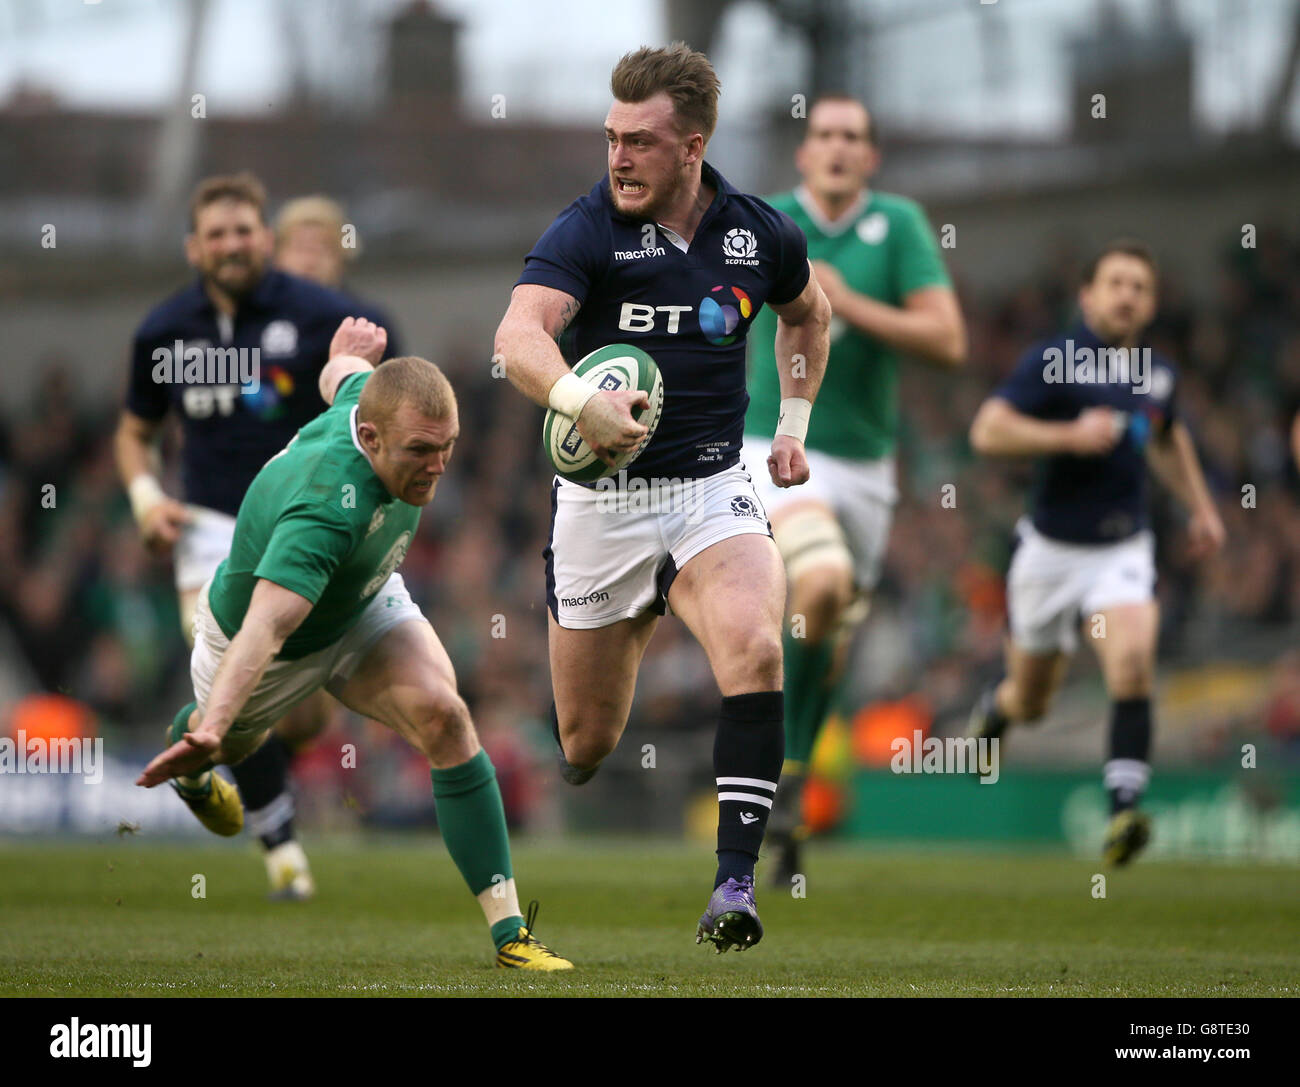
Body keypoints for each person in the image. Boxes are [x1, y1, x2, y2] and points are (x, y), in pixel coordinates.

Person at [493, 43, 830, 952]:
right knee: (586, 744)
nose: (617, 158)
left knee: (757, 648)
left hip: (710, 487)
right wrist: (579, 401)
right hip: (602, 505)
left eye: (639, 142)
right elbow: (519, 335)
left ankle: (733, 883)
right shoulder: (587, 230)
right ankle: (632, 612)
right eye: (610, 138)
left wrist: (792, 423)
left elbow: (810, 314)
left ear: (693, 146)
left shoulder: (759, 234)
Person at [135, 317, 572, 970]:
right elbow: (267, 626)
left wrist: (345, 354)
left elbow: (340, 377)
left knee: (446, 716)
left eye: (446, 446)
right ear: (369, 439)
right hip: (268, 643)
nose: (438, 466)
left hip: (361, 594)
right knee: (223, 739)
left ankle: (510, 935)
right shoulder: (323, 510)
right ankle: (196, 758)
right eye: (421, 450)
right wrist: (218, 724)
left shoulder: (370, 404)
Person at [114, 173, 401, 900]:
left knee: (294, 714)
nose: (232, 244)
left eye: (245, 230)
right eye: (217, 233)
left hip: (300, 520)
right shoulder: (162, 330)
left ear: (263, 239)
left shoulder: (318, 315)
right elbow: (135, 432)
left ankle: (215, 754)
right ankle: (281, 849)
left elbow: (386, 387)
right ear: (194, 246)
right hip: (212, 530)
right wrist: (148, 499)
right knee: (215, 659)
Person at [742, 94, 966, 884]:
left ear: (870, 158)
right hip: (772, 446)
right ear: (804, 154)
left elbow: (948, 340)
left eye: (854, 138)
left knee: (827, 635)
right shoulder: (763, 220)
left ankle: (795, 777)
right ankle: (780, 771)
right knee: (823, 578)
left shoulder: (900, 225)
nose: (838, 148)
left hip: (867, 466)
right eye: (825, 135)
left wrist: (845, 300)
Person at [967, 239, 1225, 865]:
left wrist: (1202, 508)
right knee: (1033, 698)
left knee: (1133, 659)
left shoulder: (1157, 373)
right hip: (1050, 551)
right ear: (1088, 295)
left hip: (1122, 547)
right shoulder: (1052, 361)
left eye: (1140, 286)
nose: (1128, 295)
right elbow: (987, 431)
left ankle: (1123, 810)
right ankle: (996, 712)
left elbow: (1166, 439)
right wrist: (1067, 435)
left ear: (1152, 302)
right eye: (1116, 283)